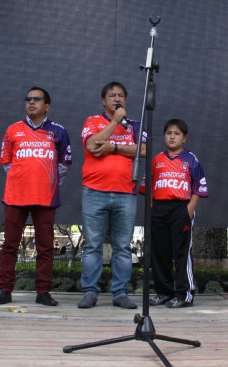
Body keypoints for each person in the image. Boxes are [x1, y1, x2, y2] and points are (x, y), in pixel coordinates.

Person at [0, 86, 72, 306]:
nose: (31, 102)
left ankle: (43, 292)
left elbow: (64, 165)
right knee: (10, 245)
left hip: (45, 198)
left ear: (47, 106)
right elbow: (7, 163)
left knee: (46, 247)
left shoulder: (58, 131)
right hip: (15, 197)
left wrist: (48, 184)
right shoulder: (13, 130)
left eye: (36, 99)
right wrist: (23, 180)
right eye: (28, 99)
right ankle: (5, 290)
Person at [78, 81, 146, 309]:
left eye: (121, 96)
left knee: (123, 247)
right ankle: (89, 292)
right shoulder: (92, 121)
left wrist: (114, 148)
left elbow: (144, 150)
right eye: (112, 95)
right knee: (92, 245)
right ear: (103, 101)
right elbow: (92, 144)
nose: (117, 99)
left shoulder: (136, 125)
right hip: (94, 192)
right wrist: (115, 122)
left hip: (125, 193)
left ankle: (120, 293)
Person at [145, 119, 208, 308]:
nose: (172, 137)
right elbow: (147, 186)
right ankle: (163, 291)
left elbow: (199, 187)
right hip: (159, 209)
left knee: (181, 253)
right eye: (168, 133)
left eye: (177, 133)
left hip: (181, 208)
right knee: (159, 252)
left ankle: (184, 293)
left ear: (184, 138)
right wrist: (151, 208)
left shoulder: (190, 159)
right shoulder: (156, 159)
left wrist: (189, 210)